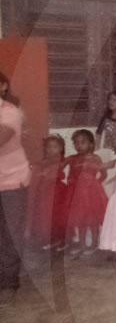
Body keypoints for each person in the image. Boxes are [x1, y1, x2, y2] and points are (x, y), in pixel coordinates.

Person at [0, 78, 30, 306]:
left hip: (12, 181)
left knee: (10, 233)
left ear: (3, 86)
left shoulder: (10, 112)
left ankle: (10, 281)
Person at [64, 130, 107, 257]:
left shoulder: (95, 158)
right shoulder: (73, 159)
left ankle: (94, 244)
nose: (79, 145)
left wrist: (95, 185)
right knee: (80, 220)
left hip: (91, 195)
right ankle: (82, 245)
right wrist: (72, 182)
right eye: (76, 143)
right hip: (77, 196)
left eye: (83, 142)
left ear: (91, 144)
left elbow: (104, 174)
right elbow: (70, 175)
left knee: (92, 220)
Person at [26, 134, 67, 250]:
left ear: (61, 148)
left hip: (57, 193)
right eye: (48, 147)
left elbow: (56, 171)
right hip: (44, 193)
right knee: (44, 216)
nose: (51, 149)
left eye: (54, 147)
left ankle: (59, 239)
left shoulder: (61, 160)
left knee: (57, 217)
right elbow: (38, 167)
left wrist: (44, 172)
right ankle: (47, 238)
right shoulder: (44, 161)